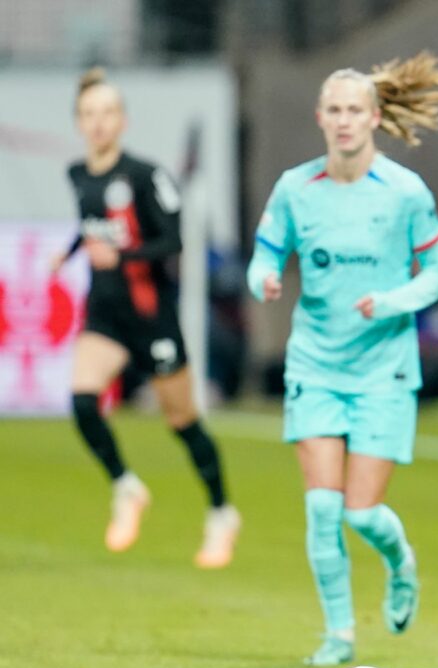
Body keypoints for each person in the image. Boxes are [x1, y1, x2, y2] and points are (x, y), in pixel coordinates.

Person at [246, 53, 438, 666]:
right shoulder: (295, 188)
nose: (343, 121)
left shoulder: (405, 193)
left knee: (361, 513)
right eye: (333, 110)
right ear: (321, 118)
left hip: (383, 368)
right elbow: (264, 253)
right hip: (314, 362)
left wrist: (393, 300)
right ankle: (338, 633)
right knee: (320, 505)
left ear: (374, 118)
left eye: (353, 111)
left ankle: (400, 562)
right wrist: (263, 277)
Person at [52, 68, 241, 569]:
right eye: (89, 114)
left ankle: (222, 512)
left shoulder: (145, 175)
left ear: (123, 120)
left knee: (182, 422)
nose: (98, 122)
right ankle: (125, 485)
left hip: (152, 317)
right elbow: (90, 227)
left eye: (107, 112)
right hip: (105, 317)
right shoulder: (77, 175)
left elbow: (172, 241)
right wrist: (68, 252)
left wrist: (124, 257)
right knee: (82, 401)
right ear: (78, 122)